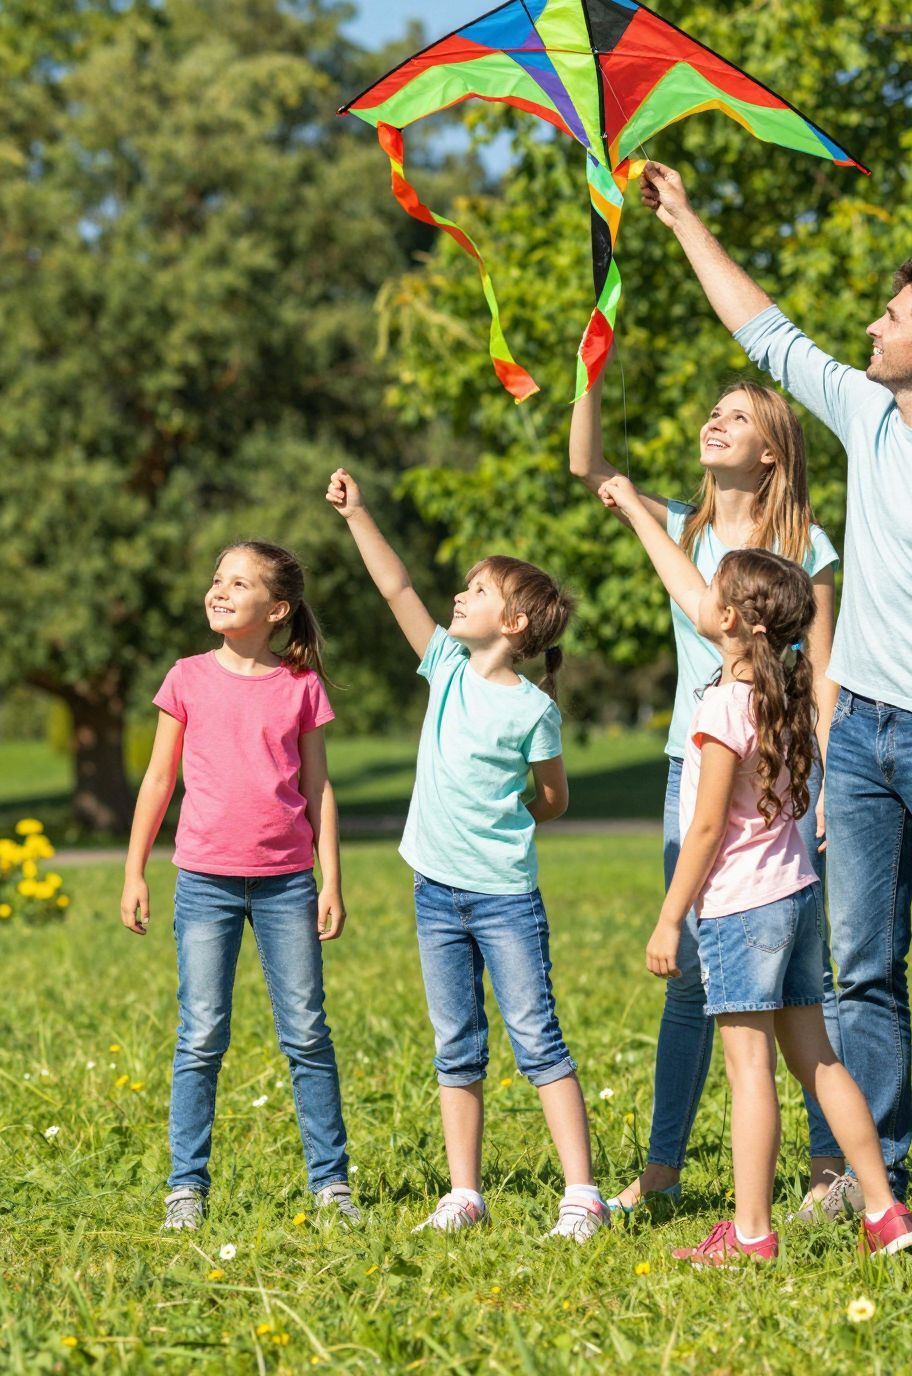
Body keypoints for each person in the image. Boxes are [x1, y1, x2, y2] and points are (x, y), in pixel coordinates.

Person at [639, 160, 912, 1238]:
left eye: (888, 318)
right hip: (859, 733)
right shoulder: (865, 421)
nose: (867, 329)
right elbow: (763, 331)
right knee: (859, 965)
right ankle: (877, 1177)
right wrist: (684, 216)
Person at [598, 475, 912, 1261]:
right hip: (799, 901)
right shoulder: (789, 704)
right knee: (818, 1060)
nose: (702, 599)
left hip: (743, 910)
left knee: (750, 1075)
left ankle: (750, 1235)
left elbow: (705, 827)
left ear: (734, 619)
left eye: (715, 592)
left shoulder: (719, 708)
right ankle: (884, 1211)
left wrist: (671, 916)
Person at [569, 370, 853, 1224]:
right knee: (692, 974)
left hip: (780, 778)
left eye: (736, 417)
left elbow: (826, 674)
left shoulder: (810, 547)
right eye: (712, 412)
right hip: (691, 770)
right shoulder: (682, 524)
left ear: (772, 451)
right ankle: (663, 1169)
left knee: (808, 979)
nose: (713, 422)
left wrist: (829, 787)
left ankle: (827, 1169)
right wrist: (592, 362)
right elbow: (588, 463)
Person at [326, 467, 606, 1243]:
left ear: (514, 622)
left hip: (506, 899)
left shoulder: (532, 709)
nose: (459, 597)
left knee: (535, 1036)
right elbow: (396, 589)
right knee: (456, 1043)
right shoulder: (444, 666)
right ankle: (463, 1192)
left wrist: (517, 812)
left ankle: (581, 1194)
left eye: (477, 591)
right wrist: (358, 515)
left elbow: (553, 799)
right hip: (434, 893)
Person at [122, 540, 357, 1230]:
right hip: (203, 882)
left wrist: (331, 879)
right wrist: (134, 870)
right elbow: (159, 780)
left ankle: (331, 1185)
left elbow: (319, 787)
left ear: (276, 609)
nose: (219, 590)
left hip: (287, 883)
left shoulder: (299, 685)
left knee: (307, 1034)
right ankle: (185, 1189)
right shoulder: (187, 677)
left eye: (239, 583)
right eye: (218, 578)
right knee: (201, 1035)